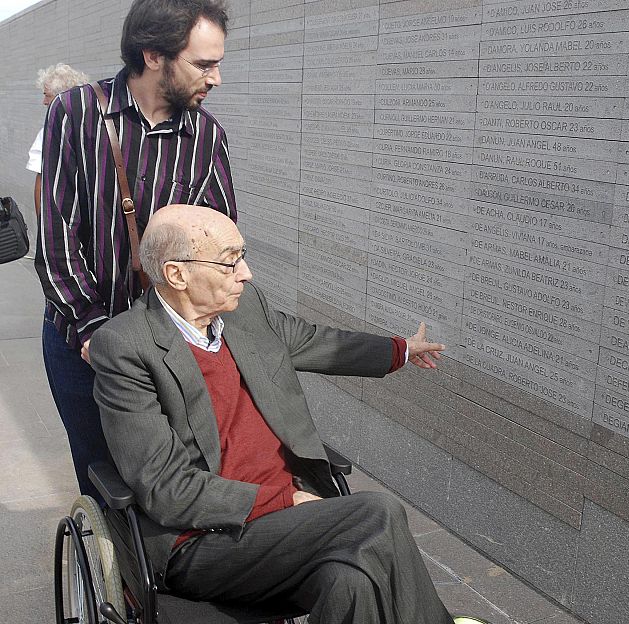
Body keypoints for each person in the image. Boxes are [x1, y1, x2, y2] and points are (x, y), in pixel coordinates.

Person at [90, 205, 484, 623]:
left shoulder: (243, 311)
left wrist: (400, 351)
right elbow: (167, 490)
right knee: (377, 513)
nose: (247, 273)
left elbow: (313, 341)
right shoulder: (126, 347)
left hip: (290, 524)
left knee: (350, 580)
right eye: (230, 262)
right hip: (204, 539)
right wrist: (284, 498)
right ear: (177, 274)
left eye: (242, 256)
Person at [35, 0, 236, 500]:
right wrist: (94, 336)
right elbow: (57, 238)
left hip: (167, 350)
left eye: (218, 64)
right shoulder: (77, 112)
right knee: (105, 482)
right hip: (82, 341)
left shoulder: (207, 136)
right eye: (203, 64)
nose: (215, 80)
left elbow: (219, 242)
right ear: (152, 55)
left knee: (172, 477)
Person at [26, 63, 90, 218]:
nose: (44, 102)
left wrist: (43, 224)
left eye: (47, 95)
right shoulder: (94, 123)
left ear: (61, 96)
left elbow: (41, 184)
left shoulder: (49, 132)